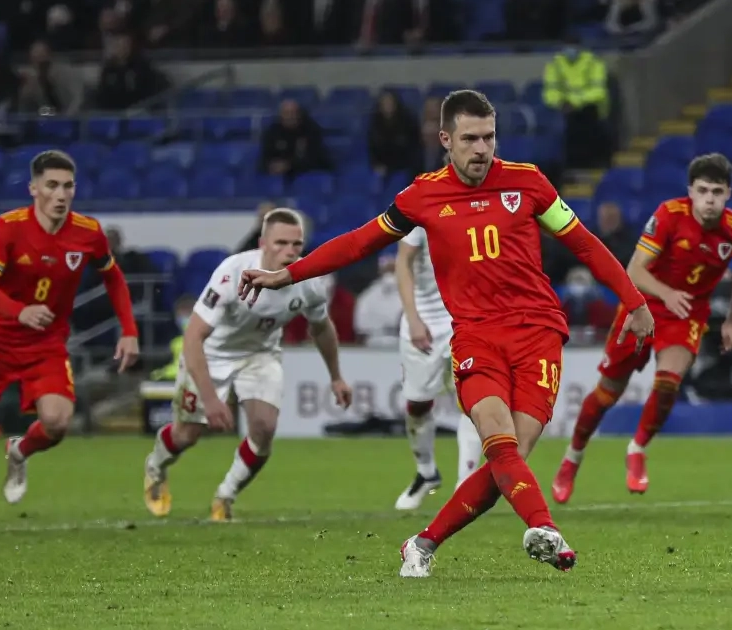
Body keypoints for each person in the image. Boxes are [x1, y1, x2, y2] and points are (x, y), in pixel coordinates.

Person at [240, 90, 654, 577]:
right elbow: (358, 243)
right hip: (477, 338)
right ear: (445, 140)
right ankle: (544, 528)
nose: (482, 149)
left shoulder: (528, 183)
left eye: (489, 137)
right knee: (499, 441)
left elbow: (584, 244)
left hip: (538, 333)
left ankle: (422, 543)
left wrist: (635, 301)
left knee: (508, 464)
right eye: (470, 139)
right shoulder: (422, 196)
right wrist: (287, 274)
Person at [0, 150, 140, 530]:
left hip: (45, 345)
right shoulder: (9, 227)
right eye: (52, 185)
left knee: (58, 422)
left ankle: (19, 450)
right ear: (33, 189)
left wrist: (129, 330)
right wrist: (20, 311)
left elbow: (112, 277)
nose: (60, 195)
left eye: (68, 186)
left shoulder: (88, 232)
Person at [551, 155, 732, 503]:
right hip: (643, 305)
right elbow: (634, 270)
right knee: (607, 393)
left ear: (728, 194)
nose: (709, 199)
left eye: (717, 192)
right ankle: (572, 457)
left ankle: (637, 449)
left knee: (668, 382)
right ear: (690, 191)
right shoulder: (669, 215)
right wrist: (666, 293)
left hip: (686, 313)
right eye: (703, 191)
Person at [142, 209, 352, 521]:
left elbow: (322, 328)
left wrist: (336, 377)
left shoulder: (308, 281)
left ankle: (225, 496)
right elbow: (193, 336)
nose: (290, 251)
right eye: (281, 243)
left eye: (296, 244)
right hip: (211, 354)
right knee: (188, 435)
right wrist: (211, 399)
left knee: (264, 429)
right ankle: (156, 466)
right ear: (263, 243)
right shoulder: (232, 273)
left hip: (260, 355)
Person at [393, 225, 482, 510]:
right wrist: (413, 318)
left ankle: (465, 485)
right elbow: (403, 262)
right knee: (417, 404)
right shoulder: (420, 208)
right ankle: (426, 472)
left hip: (468, 317)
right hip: (425, 320)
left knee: (473, 400)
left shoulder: (481, 204)